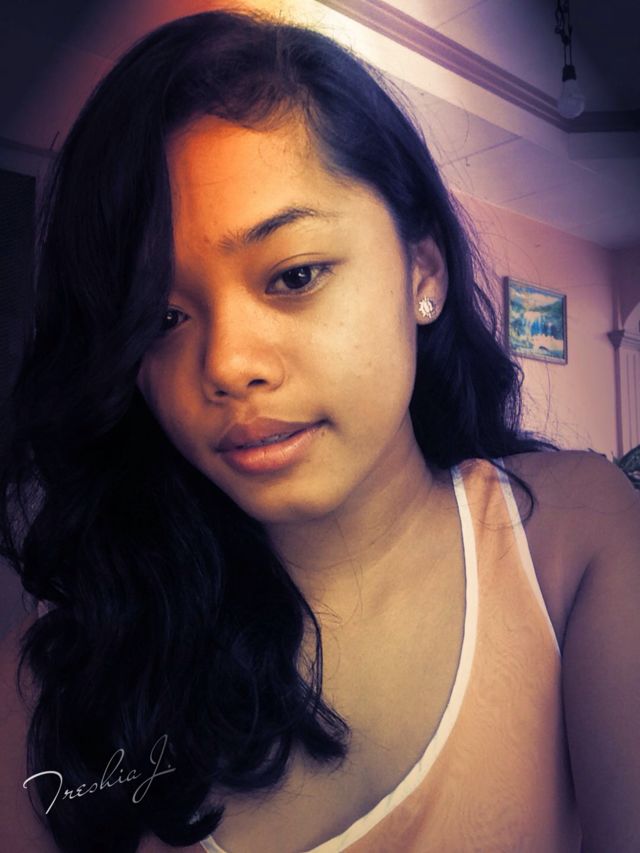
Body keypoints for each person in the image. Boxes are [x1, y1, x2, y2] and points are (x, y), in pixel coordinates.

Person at [0, 9, 638, 853]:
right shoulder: (57, 690)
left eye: (294, 274)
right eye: (160, 316)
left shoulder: (570, 538)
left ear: (422, 272)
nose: (226, 364)